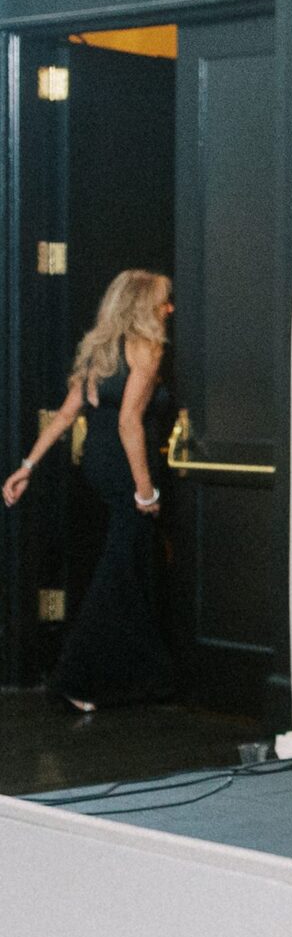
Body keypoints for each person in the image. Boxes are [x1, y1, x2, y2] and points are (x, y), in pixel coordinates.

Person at [5, 268, 175, 712]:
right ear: (142, 305)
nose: (169, 308)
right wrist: (145, 491)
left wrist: (26, 467)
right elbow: (129, 422)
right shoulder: (147, 348)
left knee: (132, 567)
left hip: (98, 466)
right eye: (163, 301)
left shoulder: (99, 350)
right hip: (126, 469)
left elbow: (64, 417)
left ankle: (146, 676)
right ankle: (75, 678)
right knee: (120, 572)